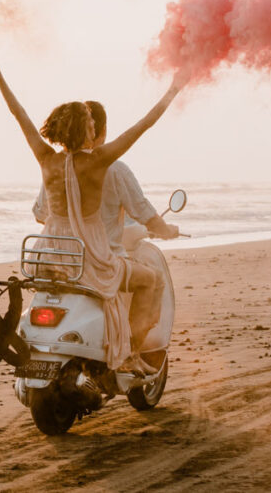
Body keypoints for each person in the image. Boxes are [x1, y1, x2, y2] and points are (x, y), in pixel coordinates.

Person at [0, 50, 181, 374]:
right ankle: (132, 353)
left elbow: (19, 114)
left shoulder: (46, 159)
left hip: (49, 256)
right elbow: (144, 125)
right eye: (90, 122)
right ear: (83, 129)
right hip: (91, 259)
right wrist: (173, 89)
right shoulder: (99, 162)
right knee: (149, 280)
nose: (94, 125)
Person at [31, 101, 178, 352]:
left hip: (56, 258)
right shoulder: (111, 166)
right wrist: (166, 230)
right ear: (99, 131)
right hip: (101, 260)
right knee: (153, 280)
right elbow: (144, 213)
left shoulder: (53, 166)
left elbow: (41, 214)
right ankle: (131, 350)